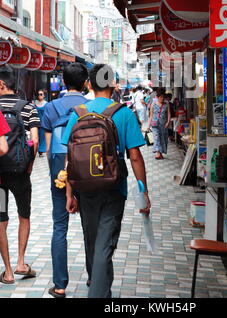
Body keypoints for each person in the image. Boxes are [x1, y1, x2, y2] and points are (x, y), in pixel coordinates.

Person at [61, 64, 151, 298]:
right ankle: (99, 293)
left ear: (89, 84)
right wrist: (144, 192)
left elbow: (70, 159)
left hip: (84, 189)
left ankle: (99, 285)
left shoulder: (78, 113)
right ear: (113, 84)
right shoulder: (124, 113)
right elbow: (135, 157)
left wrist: (70, 194)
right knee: (104, 243)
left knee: (93, 240)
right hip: (113, 187)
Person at [41, 63, 89, 299]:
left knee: (60, 227)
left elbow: (49, 148)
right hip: (89, 170)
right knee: (91, 226)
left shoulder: (50, 108)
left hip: (60, 169)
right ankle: (94, 277)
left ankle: (60, 285)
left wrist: (56, 174)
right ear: (86, 83)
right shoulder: (91, 106)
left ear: (62, 81)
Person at [0, 65, 40, 284]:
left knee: (0, 218)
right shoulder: (28, 107)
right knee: (24, 215)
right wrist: (29, 164)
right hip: (20, 172)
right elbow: (34, 140)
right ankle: (21, 263)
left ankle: (6, 271)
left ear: (2, 84)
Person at [148, 88, 171, 159]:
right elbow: (151, 115)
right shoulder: (153, 104)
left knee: (163, 139)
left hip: (163, 124)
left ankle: (160, 153)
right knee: (156, 137)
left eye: (163, 97)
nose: (162, 98)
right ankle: (157, 153)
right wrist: (148, 125)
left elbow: (169, 114)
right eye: (160, 97)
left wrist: (168, 122)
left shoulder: (166, 104)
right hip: (155, 124)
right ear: (157, 97)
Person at [34, 90, 47, 156]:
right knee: (35, 137)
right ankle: (34, 150)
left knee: (42, 137)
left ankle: (41, 150)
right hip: (34, 122)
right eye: (38, 94)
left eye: (41, 94)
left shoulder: (46, 104)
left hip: (42, 123)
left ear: (44, 95)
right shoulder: (34, 103)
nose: (39, 95)